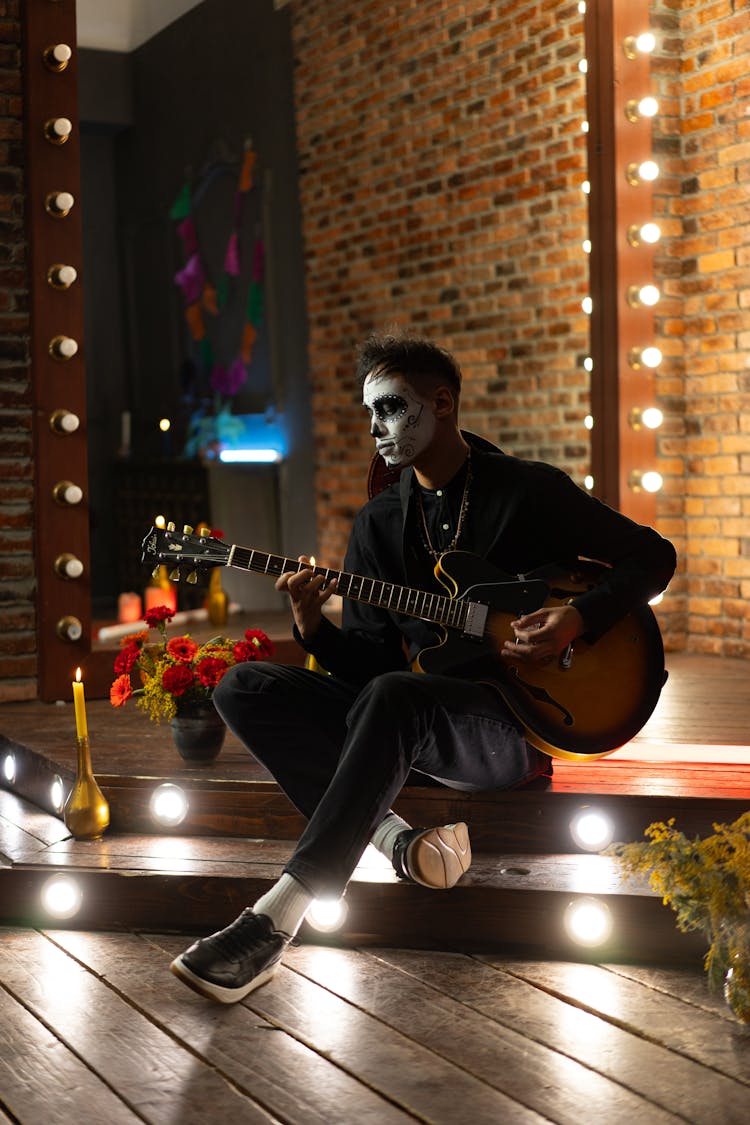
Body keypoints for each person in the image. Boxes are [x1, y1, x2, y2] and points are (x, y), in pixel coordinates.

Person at [170, 333, 676, 1004]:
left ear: (442, 403)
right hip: (414, 721)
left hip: (511, 728)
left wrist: (577, 618)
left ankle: (275, 919)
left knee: (396, 696)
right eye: (370, 413)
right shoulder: (380, 525)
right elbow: (370, 669)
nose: (377, 428)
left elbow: (655, 557)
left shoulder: (528, 492)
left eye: (391, 408)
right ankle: (399, 841)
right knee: (245, 684)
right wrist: (313, 625)